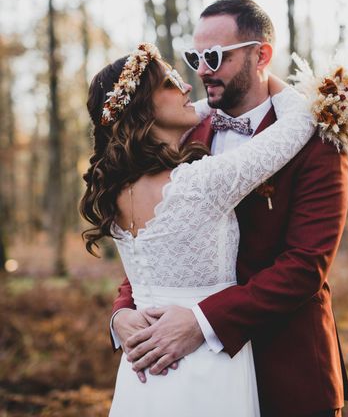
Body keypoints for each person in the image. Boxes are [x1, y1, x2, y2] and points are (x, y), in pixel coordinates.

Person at [111, 0, 348, 416]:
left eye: (216, 56)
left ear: (261, 55)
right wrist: (120, 315)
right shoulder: (184, 133)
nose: (202, 69)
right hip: (188, 374)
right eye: (196, 56)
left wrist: (202, 322)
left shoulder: (317, 141)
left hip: (287, 366)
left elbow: (305, 265)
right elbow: (152, 244)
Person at [80, 42, 315, 415]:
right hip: (208, 362)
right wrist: (263, 74)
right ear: (144, 108)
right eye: (171, 83)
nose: (188, 86)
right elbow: (301, 121)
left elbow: (177, 114)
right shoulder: (202, 183)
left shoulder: (112, 191)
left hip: (142, 364)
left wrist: (119, 317)